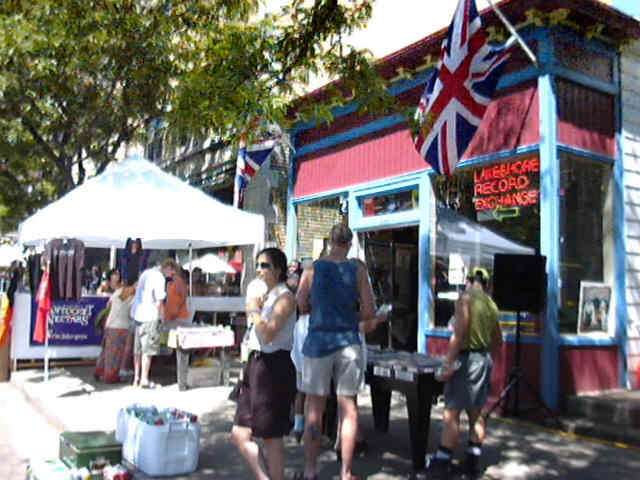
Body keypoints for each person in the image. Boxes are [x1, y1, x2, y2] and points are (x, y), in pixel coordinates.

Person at [296, 223, 378, 480]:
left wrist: (318, 311)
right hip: (348, 343)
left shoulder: (312, 268)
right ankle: (346, 472)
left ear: (329, 241)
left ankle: (310, 471)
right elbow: (368, 312)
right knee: (349, 409)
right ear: (350, 244)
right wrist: (348, 314)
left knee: (314, 409)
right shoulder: (358, 270)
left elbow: (300, 302)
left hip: (318, 341)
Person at [425, 267, 503, 479]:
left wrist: (447, 365)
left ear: (469, 281)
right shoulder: (491, 304)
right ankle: (472, 463)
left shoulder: (465, 299)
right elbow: (498, 341)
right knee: (476, 412)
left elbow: (458, 336)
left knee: (452, 412)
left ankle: (441, 465)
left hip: (466, 361)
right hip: (483, 359)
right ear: (486, 284)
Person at [230, 248, 297, 480]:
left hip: (274, 368)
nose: (259, 270)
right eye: (257, 265)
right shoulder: (267, 296)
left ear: (277, 270)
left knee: (271, 436)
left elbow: (269, 333)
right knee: (239, 432)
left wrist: (255, 311)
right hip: (256, 364)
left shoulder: (285, 298)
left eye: (264, 265)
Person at [130, 263, 169, 388]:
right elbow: (159, 301)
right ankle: (144, 379)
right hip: (150, 316)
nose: (171, 277)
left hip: (138, 314)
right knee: (148, 349)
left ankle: (136, 378)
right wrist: (162, 318)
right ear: (168, 268)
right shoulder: (159, 277)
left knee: (138, 349)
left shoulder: (145, 274)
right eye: (171, 273)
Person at [94, 283, 136, 383]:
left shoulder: (118, 292)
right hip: (121, 327)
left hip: (110, 324)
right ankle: (110, 376)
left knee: (105, 351)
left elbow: (108, 305)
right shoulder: (132, 296)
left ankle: (99, 371)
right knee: (115, 354)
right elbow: (132, 312)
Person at [160, 259, 191, 391]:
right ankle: (178, 379)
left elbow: (183, 296)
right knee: (174, 348)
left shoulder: (177, 280)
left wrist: (175, 311)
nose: (163, 272)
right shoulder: (169, 282)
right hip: (171, 318)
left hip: (179, 319)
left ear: (171, 268)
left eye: (164, 269)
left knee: (181, 349)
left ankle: (182, 381)